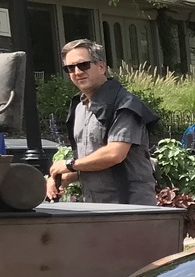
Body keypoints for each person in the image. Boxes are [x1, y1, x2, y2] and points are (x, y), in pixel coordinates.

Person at [47, 38, 158, 205]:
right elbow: (92, 163)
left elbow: (114, 154)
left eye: (83, 65)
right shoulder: (79, 106)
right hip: (96, 206)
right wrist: (64, 177)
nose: (77, 72)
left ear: (101, 67)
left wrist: (70, 164)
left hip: (130, 208)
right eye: (70, 68)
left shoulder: (125, 104)